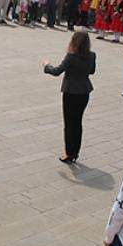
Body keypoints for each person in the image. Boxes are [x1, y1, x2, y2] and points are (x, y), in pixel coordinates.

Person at [41, 31, 96, 164]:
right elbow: (92, 71)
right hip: (84, 91)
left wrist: (46, 65)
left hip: (71, 92)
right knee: (78, 122)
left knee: (69, 123)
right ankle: (75, 152)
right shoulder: (92, 55)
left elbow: (56, 71)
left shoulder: (71, 56)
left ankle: (69, 153)